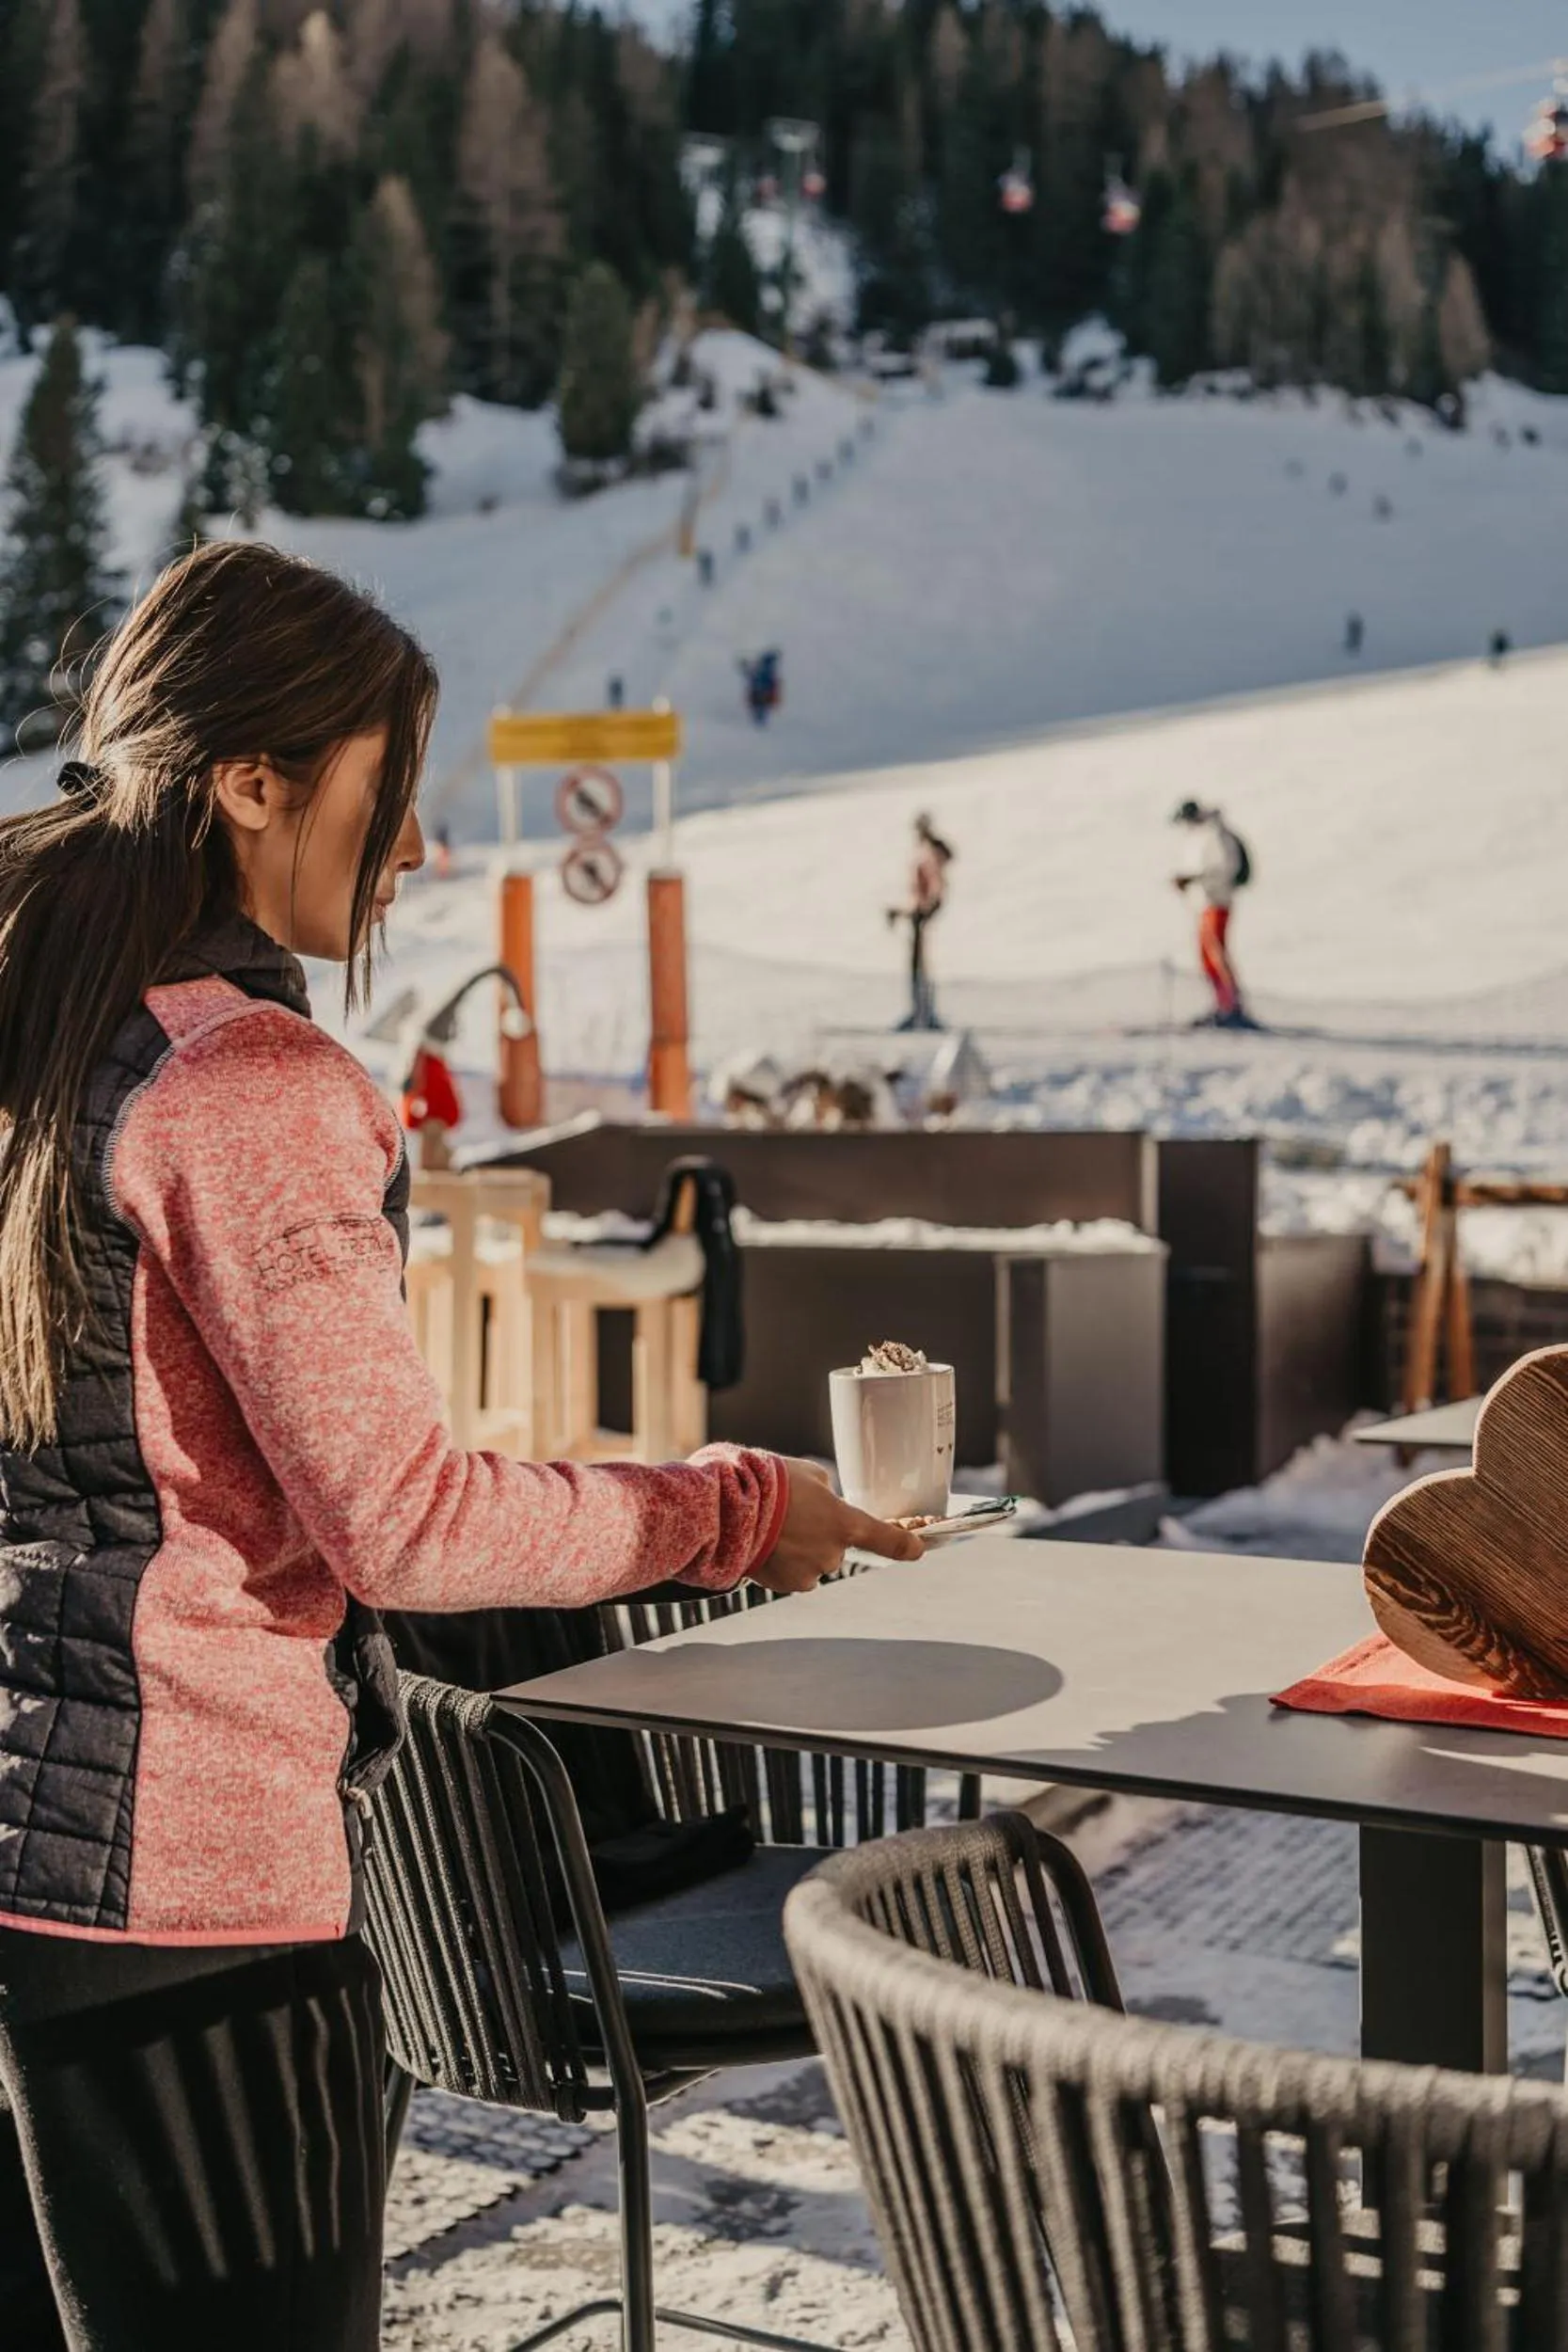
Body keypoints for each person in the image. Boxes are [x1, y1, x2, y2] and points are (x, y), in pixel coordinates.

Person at [0, 541, 922, 2351]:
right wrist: (739, 1509)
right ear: (251, 782)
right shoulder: (244, 1086)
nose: (414, 849)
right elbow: (408, 1530)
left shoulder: (48, 1044)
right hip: (198, 1889)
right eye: (387, 790)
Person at [1171, 799, 1253, 1028]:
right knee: (1207, 956)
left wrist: (1194, 878)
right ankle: (1221, 1004)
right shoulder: (1202, 836)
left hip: (1217, 901)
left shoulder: (1216, 834)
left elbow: (1225, 868)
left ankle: (1231, 1006)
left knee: (1217, 954)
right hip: (1205, 902)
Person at [888, 812, 953, 1031]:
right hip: (918, 912)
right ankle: (920, 1012)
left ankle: (923, 1014)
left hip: (922, 914)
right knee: (917, 963)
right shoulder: (924, 852)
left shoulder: (929, 852)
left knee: (920, 964)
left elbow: (935, 886)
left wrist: (927, 909)